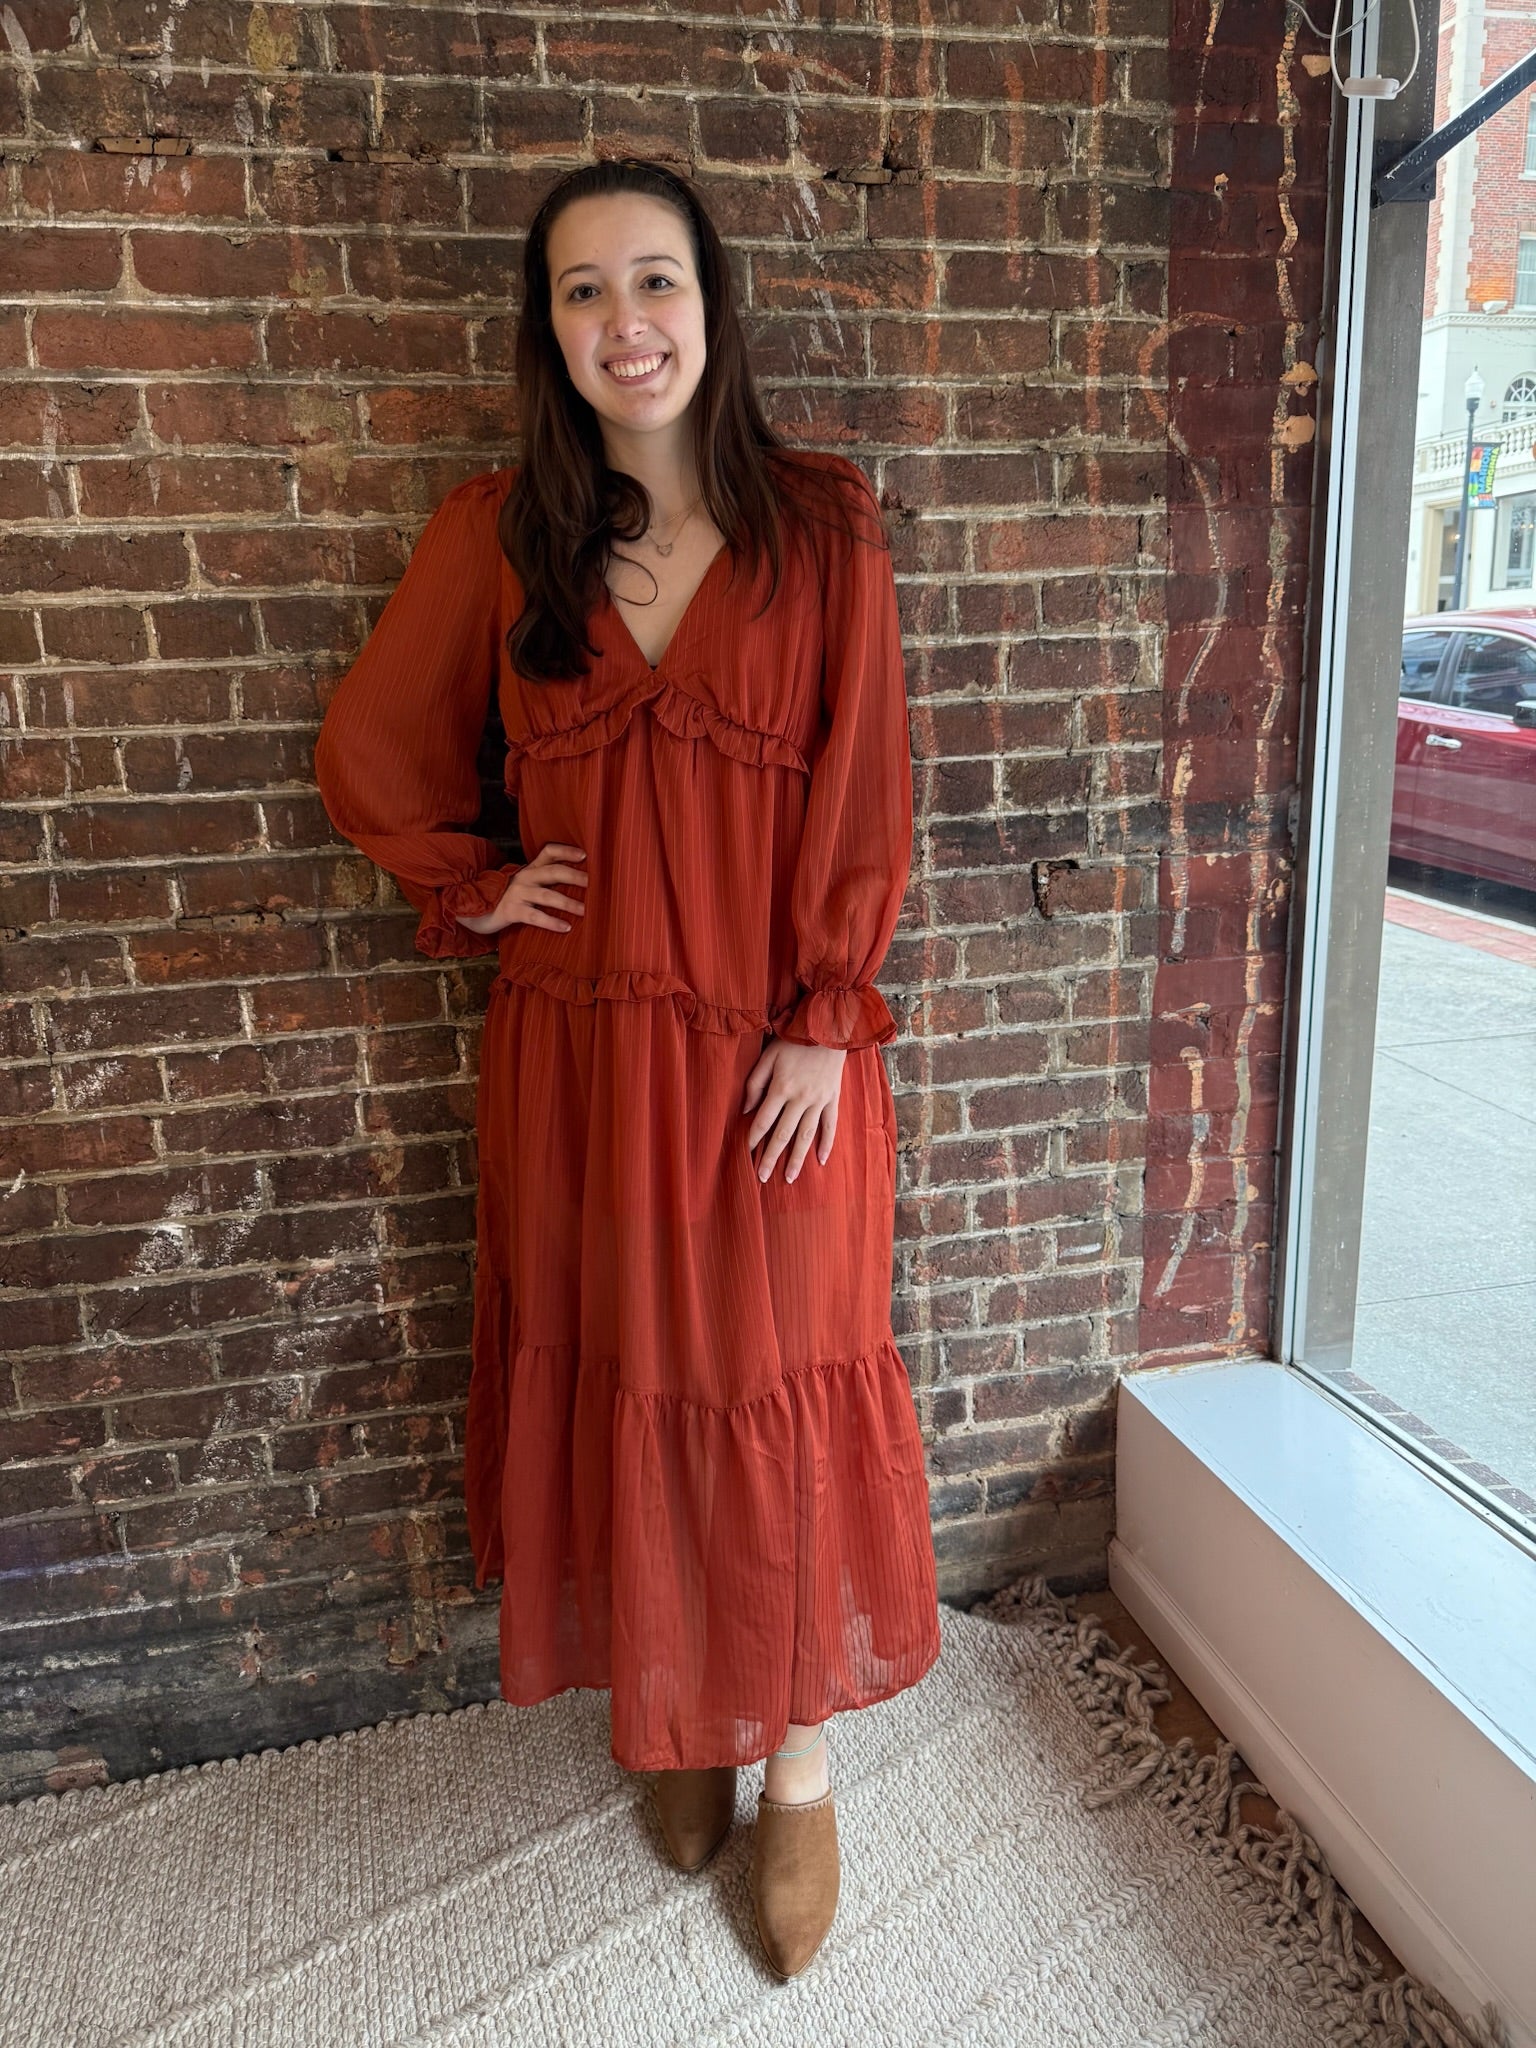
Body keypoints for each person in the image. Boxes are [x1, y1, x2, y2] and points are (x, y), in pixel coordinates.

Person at [313, 156, 942, 1981]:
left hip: (777, 1059)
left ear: (712, 302)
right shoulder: (498, 537)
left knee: (780, 1376)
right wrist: (479, 884)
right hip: (581, 1058)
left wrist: (826, 1015)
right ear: (551, 330)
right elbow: (371, 754)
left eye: (653, 280)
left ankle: (796, 1758)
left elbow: (868, 789)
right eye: (582, 291)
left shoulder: (823, 528)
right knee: (634, 1370)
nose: (625, 322)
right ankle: (676, 1714)